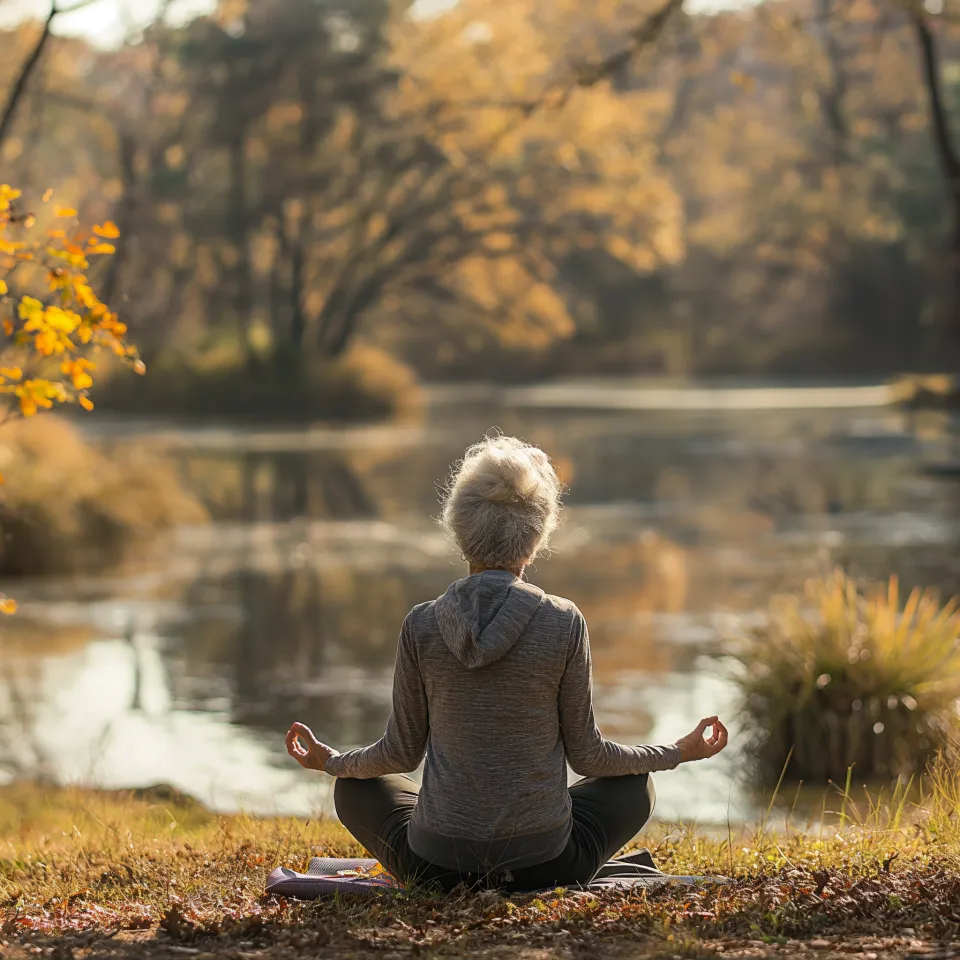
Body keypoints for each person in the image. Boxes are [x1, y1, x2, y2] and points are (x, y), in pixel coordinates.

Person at [286, 435, 728, 892]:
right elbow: (588, 756)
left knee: (355, 786)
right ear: (535, 537)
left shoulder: (421, 624)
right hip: (548, 864)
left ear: (459, 529)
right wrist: (677, 753)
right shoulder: (563, 622)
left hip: (436, 866)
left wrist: (333, 762)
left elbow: (398, 754)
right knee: (637, 787)